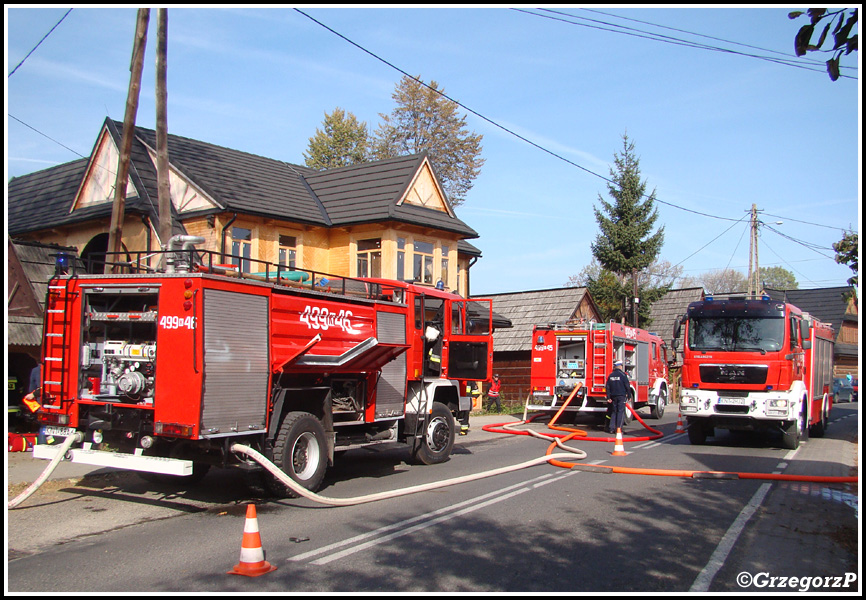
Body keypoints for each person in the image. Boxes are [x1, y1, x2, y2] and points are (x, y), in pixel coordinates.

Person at [605, 360, 630, 434]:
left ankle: (611, 428)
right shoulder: (622, 375)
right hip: (621, 396)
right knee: (620, 412)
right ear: (620, 366)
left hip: (613, 396)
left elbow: (608, 387)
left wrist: (608, 397)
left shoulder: (611, 375)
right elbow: (627, 386)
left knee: (613, 411)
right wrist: (629, 395)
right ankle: (618, 428)